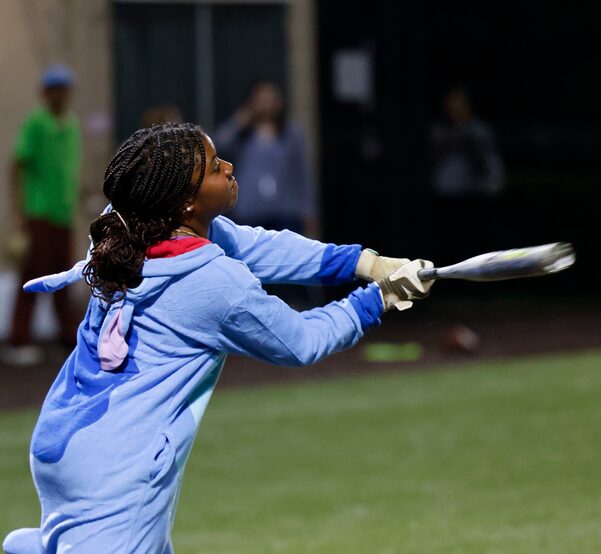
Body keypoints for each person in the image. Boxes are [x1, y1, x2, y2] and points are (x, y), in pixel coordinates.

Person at [2, 122, 433, 553]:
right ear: (187, 203)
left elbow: (265, 248)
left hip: (62, 439)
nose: (228, 167)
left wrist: (365, 263)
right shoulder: (215, 283)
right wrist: (379, 299)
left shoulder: (128, 230)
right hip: (120, 468)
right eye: (212, 167)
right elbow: (301, 342)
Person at [3, 64, 82, 365]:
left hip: (63, 214)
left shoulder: (72, 125)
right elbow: (17, 165)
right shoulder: (36, 123)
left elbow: (69, 169)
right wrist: (17, 214)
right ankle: (19, 339)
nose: (60, 95)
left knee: (65, 277)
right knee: (32, 277)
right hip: (38, 213)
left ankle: (67, 338)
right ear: (45, 93)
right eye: (54, 89)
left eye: (64, 88)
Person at [213, 80, 318, 238]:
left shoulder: (291, 134)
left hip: (285, 211)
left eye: (270, 100)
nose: (266, 105)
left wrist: (308, 210)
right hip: (250, 211)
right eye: (261, 100)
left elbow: (302, 174)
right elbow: (218, 144)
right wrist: (239, 120)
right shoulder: (243, 133)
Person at [429, 86, 504, 197]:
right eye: (451, 103)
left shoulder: (480, 129)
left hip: (478, 186)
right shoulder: (441, 130)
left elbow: (488, 160)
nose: (455, 108)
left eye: (458, 103)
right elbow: (434, 158)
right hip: (448, 188)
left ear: (467, 104)